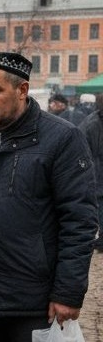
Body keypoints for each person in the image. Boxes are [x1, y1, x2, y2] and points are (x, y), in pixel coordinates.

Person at [0, 52, 97, 341]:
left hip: (34, 303)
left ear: (22, 90)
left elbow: (79, 222)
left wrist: (68, 292)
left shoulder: (62, 138)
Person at [77, 93, 103, 251]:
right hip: (96, 172)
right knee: (99, 205)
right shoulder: (92, 124)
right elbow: (90, 152)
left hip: (97, 170)